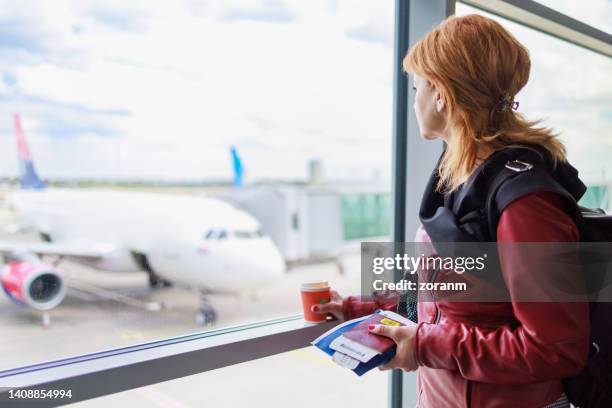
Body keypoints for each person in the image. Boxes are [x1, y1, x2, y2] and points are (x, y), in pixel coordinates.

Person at [312, 14, 589, 408]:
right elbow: (455, 300)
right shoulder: (463, 184)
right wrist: (362, 309)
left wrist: (425, 345)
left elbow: (555, 349)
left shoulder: (526, 203)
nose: (414, 100)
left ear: (439, 93)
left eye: (416, 86)